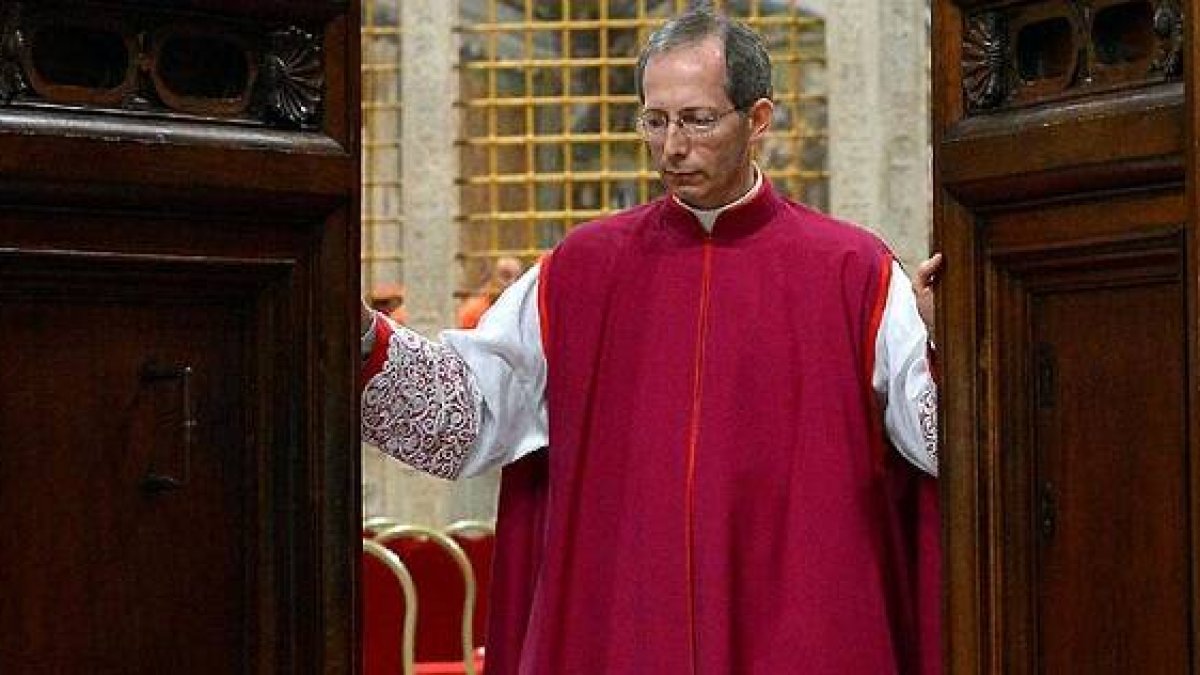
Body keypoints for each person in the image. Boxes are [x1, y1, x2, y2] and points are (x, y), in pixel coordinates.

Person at [360, 7, 943, 674]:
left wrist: (945, 342)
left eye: (697, 120)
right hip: (625, 623)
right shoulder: (581, 269)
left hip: (802, 628)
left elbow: (935, 443)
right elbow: (469, 411)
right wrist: (362, 337)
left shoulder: (853, 270)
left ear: (758, 120)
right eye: (655, 120)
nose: (672, 147)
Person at [457, 256, 523, 328]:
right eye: (506, 276)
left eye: (518, 278)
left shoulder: (524, 307)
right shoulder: (475, 308)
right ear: (493, 278)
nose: (512, 282)